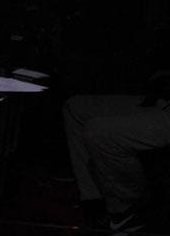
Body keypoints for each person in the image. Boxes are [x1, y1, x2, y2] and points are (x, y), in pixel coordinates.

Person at [63, 84, 170, 233]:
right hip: (161, 97)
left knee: (98, 132)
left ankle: (129, 210)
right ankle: (95, 202)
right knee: (74, 107)